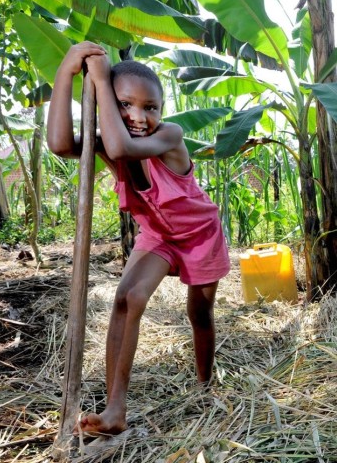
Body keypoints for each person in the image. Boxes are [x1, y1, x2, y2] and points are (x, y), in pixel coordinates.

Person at [47, 41, 230, 436]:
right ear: (107, 105)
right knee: (127, 299)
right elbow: (61, 144)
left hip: (200, 235)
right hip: (159, 235)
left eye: (150, 107)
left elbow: (122, 146)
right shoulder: (108, 139)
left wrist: (99, 76)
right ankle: (115, 409)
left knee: (199, 314)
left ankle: (204, 385)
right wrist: (66, 70)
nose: (138, 116)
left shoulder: (169, 135)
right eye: (125, 104)